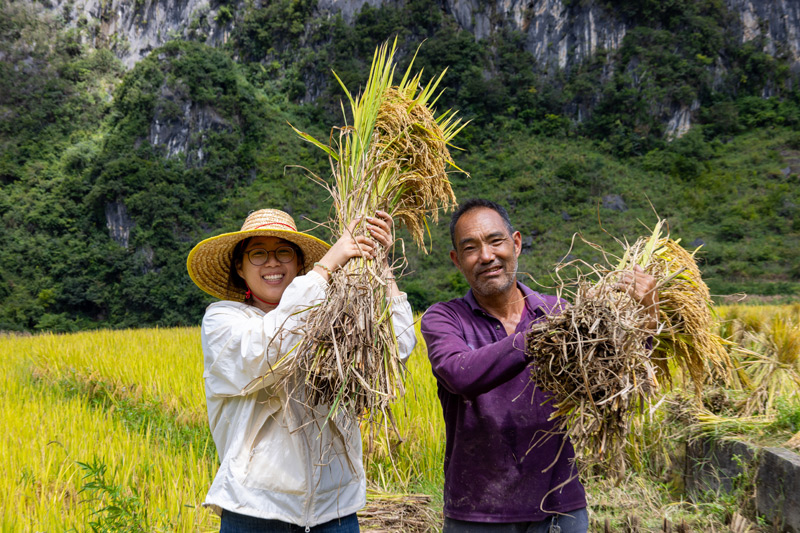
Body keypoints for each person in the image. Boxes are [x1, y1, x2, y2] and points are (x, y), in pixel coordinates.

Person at [420, 199, 658, 533]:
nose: (486, 256)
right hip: (477, 512)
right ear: (457, 261)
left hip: (558, 508)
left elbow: (612, 382)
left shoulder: (558, 311)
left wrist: (647, 319)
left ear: (516, 243)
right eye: (471, 248)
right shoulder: (444, 318)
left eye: (495, 241)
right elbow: (458, 372)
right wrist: (536, 337)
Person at [187, 208, 416, 532]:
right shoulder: (223, 320)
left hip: (334, 511)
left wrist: (378, 260)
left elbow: (395, 351)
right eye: (258, 254)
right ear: (239, 267)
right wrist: (327, 267)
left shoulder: (334, 320)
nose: (272, 262)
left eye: (283, 252)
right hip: (255, 511)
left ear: (298, 264)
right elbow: (267, 352)